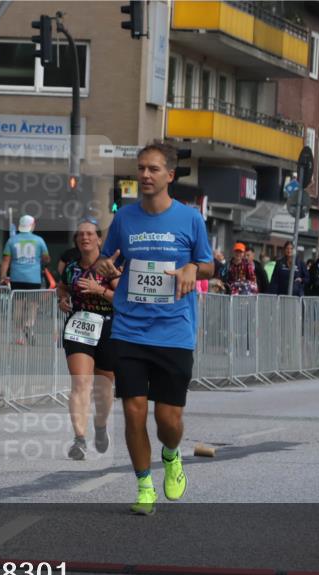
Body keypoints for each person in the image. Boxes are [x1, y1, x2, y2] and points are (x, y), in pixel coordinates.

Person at [95, 140, 214, 515]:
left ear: (170, 175)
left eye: (153, 169)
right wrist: (104, 267)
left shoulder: (190, 218)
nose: (145, 175)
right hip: (129, 328)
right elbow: (105, 257)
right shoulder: (125, 218)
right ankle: (144, 484)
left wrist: (193, 268)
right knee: (133, 411)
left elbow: (208, 264)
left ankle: (171, 453)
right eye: (141, 168)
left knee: (168, 420)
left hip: (174, 330)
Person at [57, 219, 118, 460]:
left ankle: (100, 427)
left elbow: (122, 299)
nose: (85, 238)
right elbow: (62, 288)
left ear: (99, 239)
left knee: (103, 388)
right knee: (80, 383)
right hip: (79, 325)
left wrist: (98, 289)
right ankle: (79, 439)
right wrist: (62, 299)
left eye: (90, 234)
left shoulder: (108, 266)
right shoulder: (71, 267)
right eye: (80, 234)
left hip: (108, 327)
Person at [1, 214, 50, 344]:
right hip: (34, 279)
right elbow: (46, 258)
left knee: (17, 306)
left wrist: (3, 276)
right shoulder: (39, 240)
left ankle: (19, 336)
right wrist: (41, 260)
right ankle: (29, 324)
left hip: (17, 277)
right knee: (32, 305)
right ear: (32, 225)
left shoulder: (12, 240)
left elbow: (6, 260)